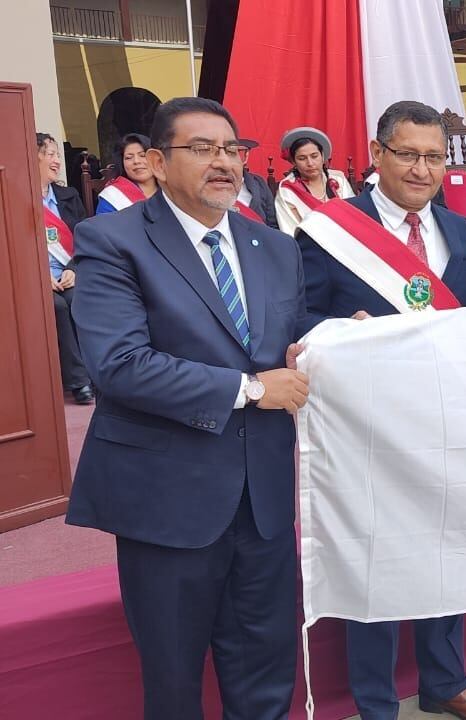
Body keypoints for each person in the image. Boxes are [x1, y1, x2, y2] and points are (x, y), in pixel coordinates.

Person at [65, 97, 310, 719]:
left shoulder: (273, 247)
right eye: (201, 149)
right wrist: (253, 390)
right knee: (174, 681)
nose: (223, 163)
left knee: (266, 670)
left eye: (233, 149)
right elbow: (119, 365)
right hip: (168, 500)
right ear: (154, 161)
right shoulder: (112, 241)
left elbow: (289, 341)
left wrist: (347, 336)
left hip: (263, 502)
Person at [295, 101, 466, 720]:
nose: (422, 169)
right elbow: (296, 317)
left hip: (446, 421)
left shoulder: (459, 229)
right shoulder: (330, 227)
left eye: (434, 157)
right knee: (377, 564)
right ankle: (375, 701)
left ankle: (446, 683)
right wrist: (341, 329)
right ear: (378, 153)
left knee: (448, 553)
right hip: (367, 427)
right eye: (408, 154)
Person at [37, 132, 93, 404]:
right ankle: (79, 381)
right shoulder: (15, 198)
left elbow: (85, 237)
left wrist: (74, 268)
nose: (57, 160)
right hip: (36, 277)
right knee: (56, 307)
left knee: (77, 299)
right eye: (50, 154)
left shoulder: (67, 195)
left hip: (69, 273)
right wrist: (39, 274)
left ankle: (94, 371)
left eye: (57, 154)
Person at [274, 126, 355, 236]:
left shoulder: (338, 179)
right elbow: (291, 232)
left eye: (314, 156)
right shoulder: (287, 190)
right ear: (293, 162)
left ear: (322, 156)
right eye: (302, 158)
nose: (310, 163)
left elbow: (353, 216)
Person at [95, 133, 158, 214]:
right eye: (129, 157)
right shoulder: (112, 196)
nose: (136, 161)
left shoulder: (171, 189)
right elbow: (103, 225)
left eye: (142, 155)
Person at [235, 138, 278, 228]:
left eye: (239, 152)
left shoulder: (258, 182)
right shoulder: (214, 183)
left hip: (261, 237)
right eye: (230, 152)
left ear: (246, 156)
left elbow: (272, 221)